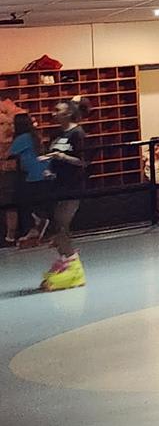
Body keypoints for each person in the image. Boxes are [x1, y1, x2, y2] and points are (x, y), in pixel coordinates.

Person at [39, 98, 90, 288]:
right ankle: (66, 261)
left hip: (72, 186)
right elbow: (52, 157)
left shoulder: (78, 134)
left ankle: (74, 266)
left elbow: (83, 161)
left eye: (57, 110)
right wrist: (48, 167)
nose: (53, 113)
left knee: (61, 224)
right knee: (57, 227)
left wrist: (62, 156)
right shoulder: (56, 133)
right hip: (56, 185)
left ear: (68, 113)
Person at [7, 111, 54, 248]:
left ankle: (38, 223)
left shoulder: (22, 138)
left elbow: (9, 153)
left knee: (23, 200)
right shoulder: (34, 136)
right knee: (32, 201)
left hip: (33, 174)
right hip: (42, 171)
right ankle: (36, 228)